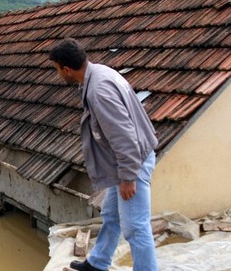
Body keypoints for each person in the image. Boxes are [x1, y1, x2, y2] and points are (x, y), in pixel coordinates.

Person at [49, 38, 158, 271]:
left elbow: (124, 137)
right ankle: (98, 263)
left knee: (136, 228)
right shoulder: (100, 72)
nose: (58, 74)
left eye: (57, 69)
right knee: (111, 214)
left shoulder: (98, 90)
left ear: (66, 69)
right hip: (126, 163)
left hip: (133, 164)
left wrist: (128, 177)